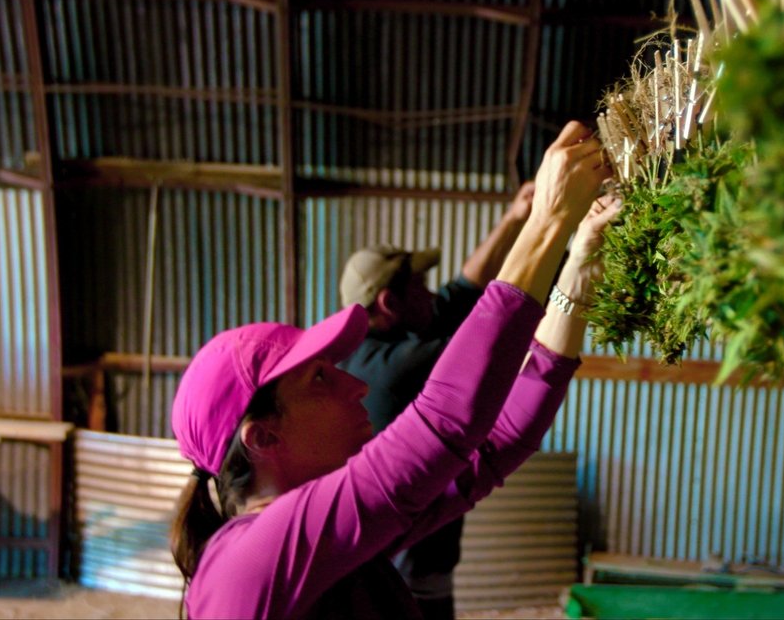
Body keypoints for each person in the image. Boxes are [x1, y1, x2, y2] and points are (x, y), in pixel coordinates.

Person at [169, 122, 618, 619]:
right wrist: (545, 220)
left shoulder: (328, 543)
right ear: (263, 438)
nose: (358, 384)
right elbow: (447, 421)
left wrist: (578, 269)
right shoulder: (257, 557)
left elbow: (496, 445)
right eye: (319, 379)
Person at [335, 183, 536, 620]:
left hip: (402, 559)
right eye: (421, 287)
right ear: (390, 303)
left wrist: (516, 217)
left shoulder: (369, 347)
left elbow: (461, 291)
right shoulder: (395, 368)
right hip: (407, 572)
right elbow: (492, 333)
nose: (432, 294)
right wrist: (550, 235)